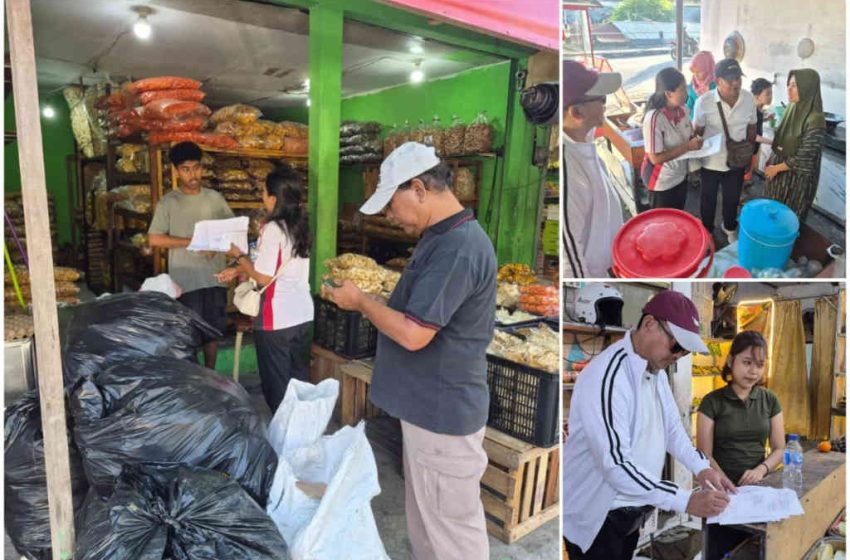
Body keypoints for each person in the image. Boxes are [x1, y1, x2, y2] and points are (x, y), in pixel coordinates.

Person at [328, 142, 497, 559]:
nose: (390, 216)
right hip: (428, 412)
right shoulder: (441, 236)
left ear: (419, 189)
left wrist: (362, 303)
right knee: (428, 525)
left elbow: (414, 334)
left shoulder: (458, 247)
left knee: (452, 535)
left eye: (391, 205)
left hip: (442, 414)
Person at [563, 290, 734, 560]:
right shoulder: (608, 376)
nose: (678, 355)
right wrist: (684, 499)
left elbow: (673, 431)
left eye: (685, 351)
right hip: (599, 516)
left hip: (633, 508)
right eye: (676, 346)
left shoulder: (655, 372)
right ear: (650, 323)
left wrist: (702, 468)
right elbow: (616, 465)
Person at [217, 165, 314, 413]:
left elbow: (262, 276)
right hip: (302, 315)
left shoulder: (273, 229)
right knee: (298, 383)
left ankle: (285, 443)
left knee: (277, 388)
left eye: (263, 192)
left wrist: (238, 256)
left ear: (273, 198)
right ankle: (303, 434)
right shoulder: (300, 224)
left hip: (276, 320)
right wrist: (239, 269)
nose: (262, 196)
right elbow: (278, 266)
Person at [697, 330, 785, 560]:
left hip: (758, 491)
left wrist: (761, 470)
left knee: (754, 549)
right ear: (730, 361)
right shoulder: (712, 402)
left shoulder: (770, 400)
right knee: (719, 549)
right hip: (720, 492)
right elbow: (703, 454)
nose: (753, 371)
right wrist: (722, 481)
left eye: (759, 364)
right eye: (747, 362)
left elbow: (779, 448)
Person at [148, 141, 234, 368]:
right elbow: (154, 238)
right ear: (176, 171)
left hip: (215, 277)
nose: (193, 174)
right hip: (185, 282)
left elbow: (230, 230)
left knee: (213, 332)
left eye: (197, 167)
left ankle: (211, 374)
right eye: (186, 169)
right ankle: (193, 378)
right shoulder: (169, 202)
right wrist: (193, 242)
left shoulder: (215, 199)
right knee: (188, 334)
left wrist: (215, 245)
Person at [562, 60, 624, 278]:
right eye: (602, 99)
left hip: (611, 268)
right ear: (577, 112)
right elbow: (569, 261)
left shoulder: (584, 142)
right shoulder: (568, 169)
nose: (605, 105)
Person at [693, 58, 757, 243]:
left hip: (736, 161)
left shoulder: (748, 99)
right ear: (718, 80)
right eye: (730, 79)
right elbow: (698, 133)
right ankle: (707, 230)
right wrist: (696, 162)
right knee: (708, 198)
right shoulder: (703, 102)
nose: (736, 82)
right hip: (711, 162)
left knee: (732, 198)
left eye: (738, 78)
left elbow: (752, 127)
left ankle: (729, 227)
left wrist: (749, 154)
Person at [764, 69, 827, 221]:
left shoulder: (815, 120)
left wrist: (776, 168)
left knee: (788, 218)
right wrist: (772, 160)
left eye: (794, 85)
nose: (788, 89)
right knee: (772, 216)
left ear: (807, 88)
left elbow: (804, 158)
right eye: (789, 85)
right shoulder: (792, 108)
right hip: (778, 176)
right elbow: (781, 140)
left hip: (796, 182)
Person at [641, 67, 703, 210]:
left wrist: (696, 139)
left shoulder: (683, 110)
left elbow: (688, 135)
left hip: (680, 177)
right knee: (663, 223)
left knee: (677, 217)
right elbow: (655, 159)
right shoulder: (655, 118)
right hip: (661, 182)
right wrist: (688, 146)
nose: (687, 93)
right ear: (668, 93)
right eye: (682, 90)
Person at [745, 78, 774, 183]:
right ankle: (740, 193)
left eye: (771, 93)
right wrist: (772, 142)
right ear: (757, 96)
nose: (771, 97)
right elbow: (754, 136)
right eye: (768, 94)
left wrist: (767, 118)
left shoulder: (759, 108)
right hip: (748, 149)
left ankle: (744, 185)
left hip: (754, 148)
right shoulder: (752, 110)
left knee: (748, 171)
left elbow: (757, 123)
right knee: (745, 172)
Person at [686, 51, 717, 118]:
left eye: (699, 72)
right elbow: (690, 100)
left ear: (707, 69)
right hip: (693, 120)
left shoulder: (715, 85)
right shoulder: (694, 83)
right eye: (694, 72)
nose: (696, 75)